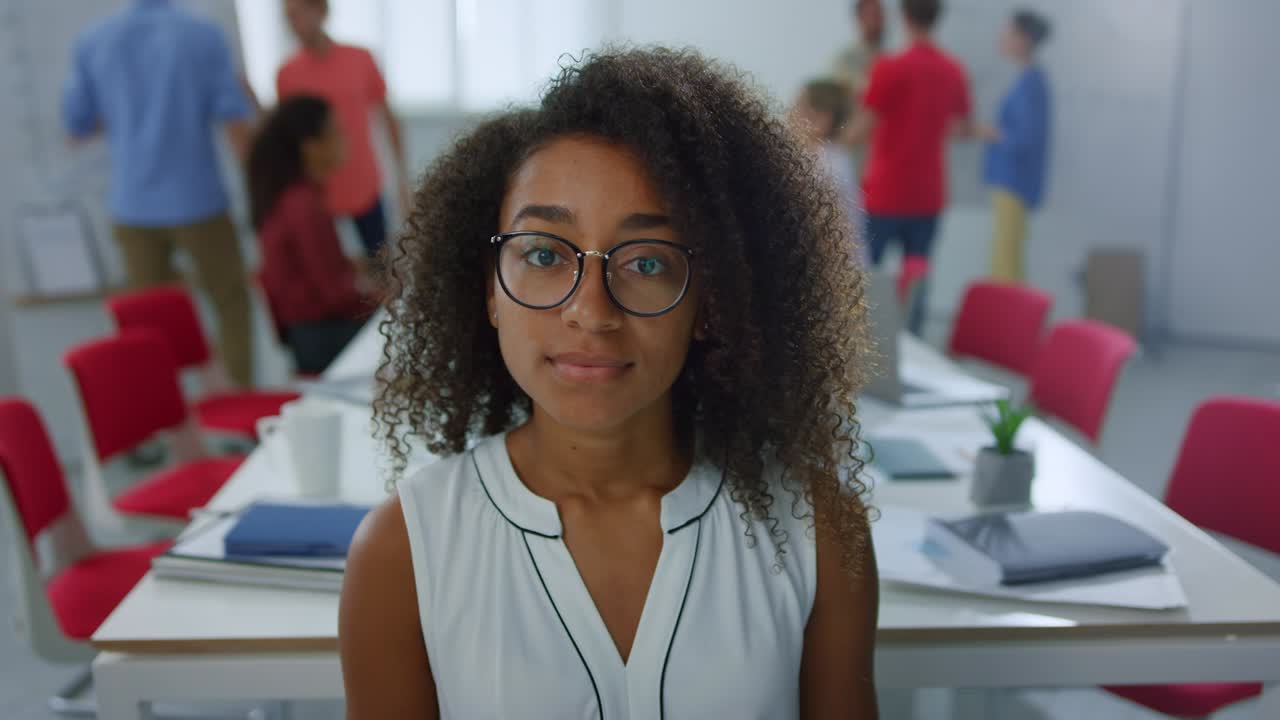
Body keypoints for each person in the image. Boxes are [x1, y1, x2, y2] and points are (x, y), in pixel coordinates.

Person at [339, 48, 880, 718]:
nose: (591, 312)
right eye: (542, 254)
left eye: (646, 262)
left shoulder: (817, 532)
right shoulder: (403, 551)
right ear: (489, 293)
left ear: (711, 301)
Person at [62, 0, 256, 386]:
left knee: (145, 325)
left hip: (133, 204)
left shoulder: (93, 40)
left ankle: (165, 423)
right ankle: (239, 408)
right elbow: (233, 117)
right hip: (199, 200)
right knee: (230, 304)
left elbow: (76, 124)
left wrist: (128, 114)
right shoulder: (203, 35)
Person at [846, 0, 975, 335]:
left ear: (903, 17)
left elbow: (862, 128)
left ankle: (864, 346)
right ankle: (911, 345)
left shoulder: (889, 67)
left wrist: (830, 137)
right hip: (928, 194)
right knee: (916, 275)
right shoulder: (953, 69)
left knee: (866, 274)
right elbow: (960, 128)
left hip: (886, 192)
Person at [248, 95, 374, 375]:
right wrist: (383, 296)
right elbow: (334, 296)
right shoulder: (302, 205)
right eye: (335, 132)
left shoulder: (291, 197)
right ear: (310, 146)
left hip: (308, 333)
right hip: (320, 336)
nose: (345, 139)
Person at [276, 0, 410, 260]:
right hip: (318, 196)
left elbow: (389, 119)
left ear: (320, 11)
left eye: (297, 15)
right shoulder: (287, 74)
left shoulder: (360, 59)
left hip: (365, 187)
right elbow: (287, 140)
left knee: (381, 266)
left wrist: (402, 179)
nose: (293, 25)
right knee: (330, 278)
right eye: (287, 18)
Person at [982, 10, 1052, 283]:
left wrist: (986, 132)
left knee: (1005, 263)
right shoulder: (1027, 79)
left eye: (1009, 32)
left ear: (1024, 39)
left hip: (1014, 183)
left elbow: (1023, 138)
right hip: (1010, 183)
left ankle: (1009, 322)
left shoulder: (1031, 83)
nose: (1003, 38)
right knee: (1007, 257)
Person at [793, 79, 864, 262]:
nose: (791, 113)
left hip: (834, 268)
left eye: (799, 107)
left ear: (823, 119)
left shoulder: (827, 167)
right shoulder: (821, 157)